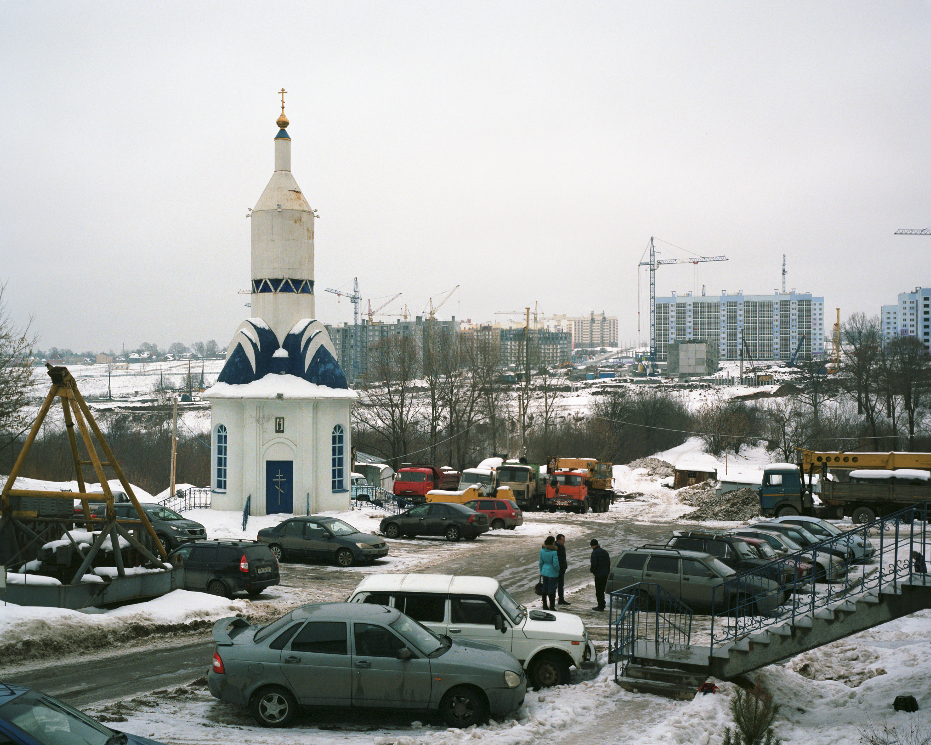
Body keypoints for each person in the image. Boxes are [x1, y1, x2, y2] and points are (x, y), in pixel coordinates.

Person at [539, 535, 560, 610]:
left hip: (545, 572)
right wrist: (558, 570)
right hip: (552, 573)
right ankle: (552, 606)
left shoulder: (542, 550)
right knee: (552, 589)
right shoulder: (554, 552)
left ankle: (545, 605)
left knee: (544, 589)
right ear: (552, 542)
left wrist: (541, 571)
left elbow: (541, 562)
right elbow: (555, 563)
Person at [589, 538, 610, 611]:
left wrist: (592, 571)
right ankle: (602, 604)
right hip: (605, 574)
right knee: (602, 590)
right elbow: (608, 563)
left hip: (598, 575)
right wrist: (607, 572)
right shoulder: (605, 552)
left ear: (592, 545)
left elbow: (594, 564)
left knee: (598, 591)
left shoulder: (594, 553)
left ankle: (600, 606)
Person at [556, 534, 570, 605]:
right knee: (555, 585)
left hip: (562, 568)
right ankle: (552, 601)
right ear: (558, 540)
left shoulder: (562, 546)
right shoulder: (555, 547)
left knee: (561, 585)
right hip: (557, 569)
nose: (564, 541)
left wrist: (565, 565)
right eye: (563, 540)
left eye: (564, 540)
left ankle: (561, 599)